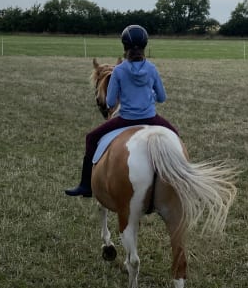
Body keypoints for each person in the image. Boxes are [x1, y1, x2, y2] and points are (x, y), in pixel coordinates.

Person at [65, 25, 179, 197]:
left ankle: (85, 185)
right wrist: (149, 95)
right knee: (176, 138)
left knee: (91, 138)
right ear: (144, 46)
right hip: (151, 118)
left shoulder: (118, 71)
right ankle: (183, 181)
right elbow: (162, 97)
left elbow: (110, 101)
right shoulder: (152, 69)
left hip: (126, 119)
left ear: (124, 47)